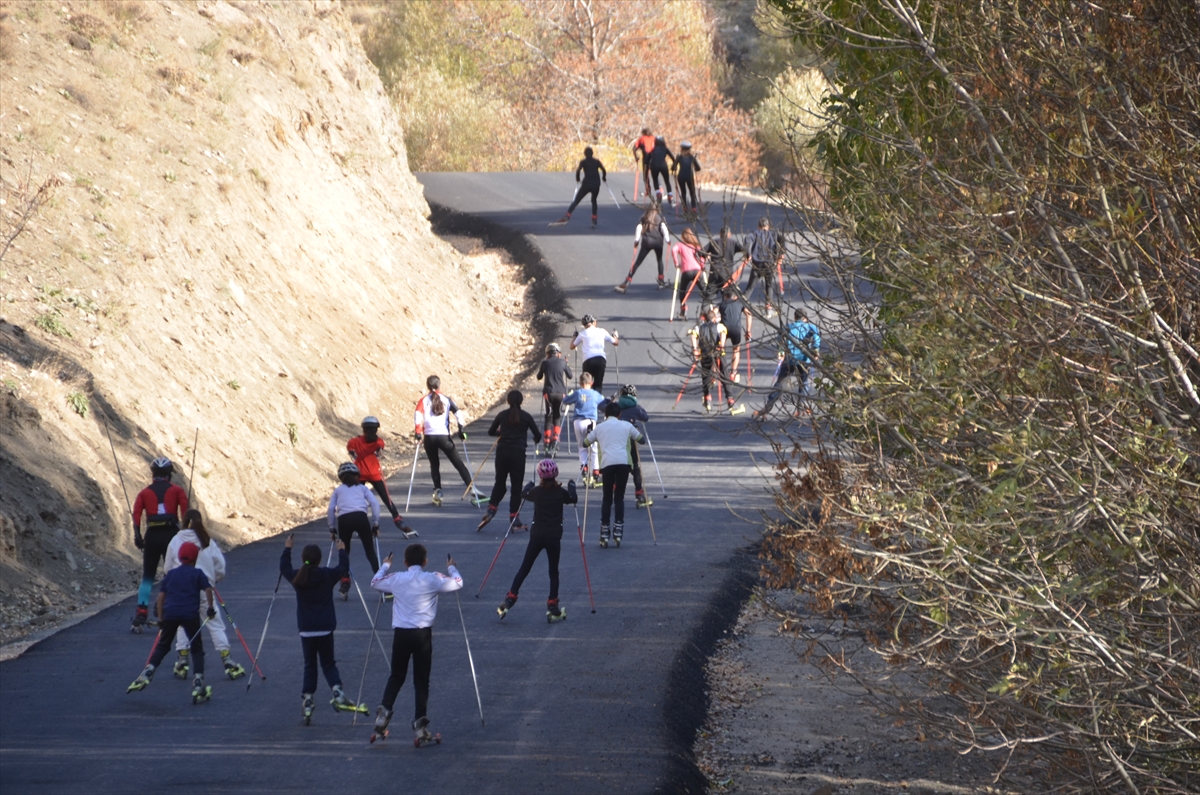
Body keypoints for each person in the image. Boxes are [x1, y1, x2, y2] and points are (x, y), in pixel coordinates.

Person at [370, 544, 463, 746]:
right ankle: (420, 725)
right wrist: (451, 568)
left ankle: (384, 711)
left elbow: (375, 583)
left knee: (396, 675)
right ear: (425, 561)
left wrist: (385, 566)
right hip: (422, 634)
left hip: (401, 634)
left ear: (405, 562)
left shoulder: (396, 578)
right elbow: (458, 583)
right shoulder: (432, 578)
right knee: (421, 681)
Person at [281, 534, 362, 723]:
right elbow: (343, 569)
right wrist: (342, 549)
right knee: (328, 663)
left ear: (303, 559)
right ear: (319, 559)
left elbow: (283, 567)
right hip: (325, 627)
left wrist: (287, 548)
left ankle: (308, 699)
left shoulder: (297, 577)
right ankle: (337, 691)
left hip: (306, 629)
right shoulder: (326, 575)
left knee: (310, 665)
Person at [126, 540, 215, 704]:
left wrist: (161, 619)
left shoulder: (171, 575)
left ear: (180, 557)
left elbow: (160, 599)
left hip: (170, 614)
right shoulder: (198, 574)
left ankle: (149, 670)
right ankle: (198, 682)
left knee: (163, 645)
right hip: (190, 614)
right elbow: (208, 589)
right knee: (196, 648)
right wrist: (210, 609)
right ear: (195, 558)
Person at [163, 510, 245, 680]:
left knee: (182, 623)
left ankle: (182, 658)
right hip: (204, 589)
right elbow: (220, 566)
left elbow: (167, 567)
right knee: (215, 623)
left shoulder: (176, 540)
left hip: (182, 590)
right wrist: (214, 580)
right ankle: (226, 658)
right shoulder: (207, 541)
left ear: (183, 521)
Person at [497, 459, 578, 622]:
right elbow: (572, 499)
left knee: (525, 568)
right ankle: (552, 604)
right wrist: (571, 486)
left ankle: (510, 598)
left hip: (537, 536)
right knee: (553, 572)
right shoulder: (560, 493)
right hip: (554, 537)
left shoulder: (536, 492)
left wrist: (528, 485)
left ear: (540, 475)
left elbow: (523, 494)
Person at [131, 457, 189, 632]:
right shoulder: (178, 490)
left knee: (147, 576)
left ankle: (141, 613)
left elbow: (136, 514)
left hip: (152, 535)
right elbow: (185, 512)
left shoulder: (144, 493)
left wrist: (137, 535)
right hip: (171, 535)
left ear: (153, 474)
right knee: (171, 573)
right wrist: (184, 534)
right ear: (169, 475)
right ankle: (163, 605)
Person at [414, 375, 483, 507]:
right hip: (444, 437)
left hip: (429, 437)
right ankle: (471, 487)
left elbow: (417, 415)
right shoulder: (446, 399)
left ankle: (438, 491)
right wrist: (461, 429)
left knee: (434, 465)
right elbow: (458, 413)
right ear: (439, 385)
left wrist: (418, 432)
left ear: (427, 386)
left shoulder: (423, 400)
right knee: (458, 463)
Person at [582, 402, 643, 548]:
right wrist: (634, 430)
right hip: (623, 463)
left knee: (607, 498)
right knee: (619, 497)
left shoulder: (600, 427)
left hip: (607, 464)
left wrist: (590, 432)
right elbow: (642, 440)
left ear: (606, 415)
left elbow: (585, 444)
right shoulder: (626, 425)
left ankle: (604, 531)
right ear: (619, 414)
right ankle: (618, 529)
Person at [481, 390, 540, 531]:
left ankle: (491, 508)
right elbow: (537, 435)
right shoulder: (526, 416)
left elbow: (491, 432)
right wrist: (534, 439)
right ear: (521, 401)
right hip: (518, 454)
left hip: (502, 452)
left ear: (507, 401)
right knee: (516, 486)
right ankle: (514, 516)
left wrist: (502, 433)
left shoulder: (502, 415)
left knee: (500, 482)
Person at [347, 416, 415, 535]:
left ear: (363, 429)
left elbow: (351, 452)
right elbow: (379, 453)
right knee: (386, 498)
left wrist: (356, 456)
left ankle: (357, 524)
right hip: (375, 474)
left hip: (360, 474)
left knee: (358, 500)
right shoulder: (379, 442)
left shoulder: (355, 441)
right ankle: (397, 519)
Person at [328, 461, 383, 601]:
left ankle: (345, 582)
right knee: (370, 552)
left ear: (341, 477)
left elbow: (330, 509)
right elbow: (375, 504)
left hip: (344, 520)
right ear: (357, 476)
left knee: (344, 552)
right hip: (360, 517)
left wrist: (332, 528)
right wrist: (375, 523)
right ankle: (381, 582)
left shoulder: (338, 490)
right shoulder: (363, 489)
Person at [598, 384, 653, 508]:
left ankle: (614, 488)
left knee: (617, 462)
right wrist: (638, 406)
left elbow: (600, 406)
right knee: (635, 465)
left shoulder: (615, 407)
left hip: (616, 437)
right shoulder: (635, 407)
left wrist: (609, 399)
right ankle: (639, 493)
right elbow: (645, 417)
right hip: (631, 438)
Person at [758, 309, 821, 417]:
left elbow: (780, 338)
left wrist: (781, 351)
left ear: (794, 317)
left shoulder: (787, 328)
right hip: (804, 360)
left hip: (789, 360)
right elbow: (816, 336)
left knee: (780, 384)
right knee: (803, 383)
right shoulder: (810, 327)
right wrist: (815, 350)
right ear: (805, 318)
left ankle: (767, 408)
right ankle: (800, 408)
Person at [616, 201, 670, 293]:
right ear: (658, 209)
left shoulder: (644, 217)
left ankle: (627, 280)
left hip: (647, 242)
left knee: (637, 262)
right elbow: (664, 228)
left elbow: (639, 228)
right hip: (658, 242)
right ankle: (661, 281)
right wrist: (668, 240)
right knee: (659, 260)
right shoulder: (660, 218)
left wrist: (636, 241)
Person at [562, 373, 603, 486]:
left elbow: (566, 401)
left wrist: (566, 396)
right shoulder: (595, 394)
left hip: (578, 422)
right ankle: (596, 473)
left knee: (582, 447)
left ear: (580, 383)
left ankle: (584, 471)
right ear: (592, 382)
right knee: (594, 448)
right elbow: (604, 403)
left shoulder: (577, 393)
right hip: (591, 422)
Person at [689, 306, 733, 412]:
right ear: (714, 319)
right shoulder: (719, 326)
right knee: (724, 374)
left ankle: (707, 398)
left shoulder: (699, 328)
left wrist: (695, 349)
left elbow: (693, 335)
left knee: (706, 375)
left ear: (704, 318)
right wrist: (721, 344)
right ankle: (730, 399)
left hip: (705, 354)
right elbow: (723, 333)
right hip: (718, 353)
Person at [553, 146, 608, 228]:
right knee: (594, 201)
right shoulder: (596, 161)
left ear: (584, 154)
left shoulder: (583, 162)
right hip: (596, 184)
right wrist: (603, 178)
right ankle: (594, 219)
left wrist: (578, 179)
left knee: (577, 200)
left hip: (586, 184)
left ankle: (567, 216)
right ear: (592, 153)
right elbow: (603, 169)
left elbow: (578, 170)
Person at [743, 217, 786, 317]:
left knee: (750, 287)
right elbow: (783, 239)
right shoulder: (773, 234)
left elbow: (747, 240)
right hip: (770, 264)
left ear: (759, 226)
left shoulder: (755, 233)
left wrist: (748, 254)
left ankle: (741, 305)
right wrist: (781, 253)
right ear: (768, 226)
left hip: (757, 263)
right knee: (769, 286)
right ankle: (768, 309)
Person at [536, 343, 573, 456]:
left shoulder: (545, 363)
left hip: (549, 392)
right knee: (557, 416)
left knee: (548, 416)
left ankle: (546, 442)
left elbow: (539, 377)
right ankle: (555, 439)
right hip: (561, 393)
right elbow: (570, 375)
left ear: (548, 353)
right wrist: (566, 364)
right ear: (558, 353)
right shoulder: (562, 362)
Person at [569, 315, 619, 394]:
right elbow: (615, 342)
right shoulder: (602, 331)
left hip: (588, 360)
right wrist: (615, 336)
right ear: (594, 322)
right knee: (598, 384)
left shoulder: (582, 334)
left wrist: (574, 336)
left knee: (586, 383)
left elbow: (572, 346)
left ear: (585, 325)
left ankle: (587, 401)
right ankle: (597, 402)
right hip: (600, 359)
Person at [702, 226, 746, 307]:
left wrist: (705, 256)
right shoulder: (733, 243)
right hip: (727, 273)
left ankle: (703, 315)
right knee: (728, 295)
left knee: (709, 294)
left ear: (720, 234)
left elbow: (701, 252)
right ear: (729, 234)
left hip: (714, 271)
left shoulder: (714, 242)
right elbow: (744, 249)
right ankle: (726, 314)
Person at [672, 227, 706, 321]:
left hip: (686, 271)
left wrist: (676, 263)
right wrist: (702, 265)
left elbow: (673, 250)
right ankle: (703, 313)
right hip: (697, 271)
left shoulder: (680, 244)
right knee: (705, 292)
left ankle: (683, 310)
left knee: (682, 291)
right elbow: (702, 255)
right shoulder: (696, 245)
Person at [719, 286, 750, 383]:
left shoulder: (722, 304)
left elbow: (713, 312)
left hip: (724, 329)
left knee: (720, 348)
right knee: (736, 349)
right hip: (736, 329)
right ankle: (733, 373)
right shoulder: (740, 303)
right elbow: (749, 314)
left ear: (726, 296)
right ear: (735, 296)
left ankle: (717, 371)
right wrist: (748, 331)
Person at [672, 141, 701, 215]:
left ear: (681, 148)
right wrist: (694, 167)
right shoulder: (692, 157)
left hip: (681, 176)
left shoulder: (679, 157)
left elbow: (673, 167)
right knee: (692, 193)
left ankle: (685, 209)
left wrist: (675, 168)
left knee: (683, 192)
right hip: (689, 177)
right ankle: (693, 208)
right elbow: (698, 168)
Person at [647, 135, 676, 206]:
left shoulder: (652, 149)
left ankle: (658, 194)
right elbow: (673, 158)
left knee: (655, 180)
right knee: (667, 181)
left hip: (654, 166)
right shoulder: (665, 149)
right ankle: (670, 196)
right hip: (663, 166)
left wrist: (648, 164)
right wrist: (673, 166)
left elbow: (646, 160)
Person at [631, 127, 656, 197]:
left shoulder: (642, 139)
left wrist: (636, 157)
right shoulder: (654, 138)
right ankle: (660, 189)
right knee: (655, 175)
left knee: (645, 176)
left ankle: (648, 191)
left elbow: (634, 148)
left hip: (646, 159)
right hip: (654, 159)